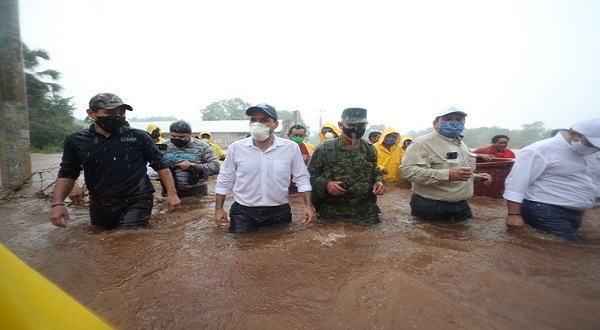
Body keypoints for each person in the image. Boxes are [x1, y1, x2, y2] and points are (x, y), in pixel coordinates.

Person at [49, 93, 181, 229]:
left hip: (137, 200)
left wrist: (172, 194)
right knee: (101, 239)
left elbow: (161, 166)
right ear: (91, 113)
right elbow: (67, 172)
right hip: (99, 203)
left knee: (128, 237)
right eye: (110, 112)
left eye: (121, 113)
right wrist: (57, 203)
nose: (117, 117)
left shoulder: (138, 137)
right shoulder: (76, 141)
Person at [214, 103, 315, 233]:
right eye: (253, 120)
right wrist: (218, 209)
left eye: (264, 120)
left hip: (279, 212)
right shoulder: (236, 148)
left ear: (276, 124)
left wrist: (308, 206)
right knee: (241, 249)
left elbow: (302, 178)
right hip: (243, 213)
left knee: (281, 249)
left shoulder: (290, 148)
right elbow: (225, 178)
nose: (257, 124)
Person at [503, 117, 600, 242]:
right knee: (571, 252)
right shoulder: (540, 150)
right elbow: (516, 183)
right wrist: (513, 215)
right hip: (545, 211)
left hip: (576, 212)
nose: (593, 148)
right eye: (590, 144)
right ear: (574, 134)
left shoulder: (591, 154)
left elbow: (592, 180)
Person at [399, 106, 493, 221]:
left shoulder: (461, 144)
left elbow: (456, 171)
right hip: (431, 206)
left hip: (462, 205)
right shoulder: (422, 143)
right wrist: (447, 174)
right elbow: (406, 171)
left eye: (459, 120)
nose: (454, 123)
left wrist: (474, 177)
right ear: (435, 123)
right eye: (448, 119)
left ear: (464, 123)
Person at [308, 107, 385, 225]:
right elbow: (309, 176)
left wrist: (379, 182)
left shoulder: (370, 149)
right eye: (351, 125)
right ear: (340, 125)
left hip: (365, 211)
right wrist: (326, 184)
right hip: (333, 211)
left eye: (361, 125)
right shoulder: (325, 149)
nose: (356, 129)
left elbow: (375, 171)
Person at [162, 121, 220, 197]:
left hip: (196, 191)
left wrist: (193, 165)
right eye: (173, 136)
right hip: (169, 191)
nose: (177, 139)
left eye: (182, 137)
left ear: (190, 134)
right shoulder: (162, 147)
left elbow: (216, 167)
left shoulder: (202, 147)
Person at [287, 124, 316, 194]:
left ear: (304, 136)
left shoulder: (310, 148)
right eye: (295, 135)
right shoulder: (282, 148)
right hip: (285, 188)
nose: (298, 137)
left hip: (302, 188)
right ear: (288, 135)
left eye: (301, 136)